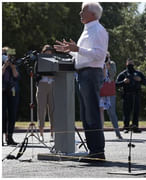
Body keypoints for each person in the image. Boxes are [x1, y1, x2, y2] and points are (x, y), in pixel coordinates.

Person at [54, 2, 108, 162]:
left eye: (83, 11)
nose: (80, 13)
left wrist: (77, 49)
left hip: (91, 74)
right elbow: (84, 55)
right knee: (86, 115)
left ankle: (98, 152)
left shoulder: (98, 30)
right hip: (84, 73)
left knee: (91, 114)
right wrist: (71, 51)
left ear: (93, 14)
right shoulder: (88, 30)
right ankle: (93, 151)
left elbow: (99, 55)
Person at [116, 59, 146, 133]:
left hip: (136, 94)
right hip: (127, 94)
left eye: (131, 64)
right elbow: (116, 84)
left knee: (136, 111)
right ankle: (126, 127)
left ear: (134, 64)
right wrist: (123, 82)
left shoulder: (138, 73)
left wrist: (140, 80)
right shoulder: (123, 74)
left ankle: (135, 127)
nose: (130, 65)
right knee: (126, 112)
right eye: (129, 64)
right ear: (126, 64)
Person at [35, 45, 56, 141]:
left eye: (50, 53)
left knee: (53, 109)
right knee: (41, 109)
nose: (48, 54)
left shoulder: (54, 60)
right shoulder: (39, 61)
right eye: (46, 53)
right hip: (42, 85)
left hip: (52, 85)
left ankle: (53, 133)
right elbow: (36, 74)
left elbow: (56, 73)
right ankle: (41, 133)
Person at [102, 52, 122, 139]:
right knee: (99, 112)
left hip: (109, 90)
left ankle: (117, 133)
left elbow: (112, 75)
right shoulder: (99, 64)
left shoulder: (112, 64)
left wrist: (107, 65)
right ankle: (99, 133)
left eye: (107, 56)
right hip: (100, 89)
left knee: (112, 112)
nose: (106, 58)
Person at [2, 47, 20, 145]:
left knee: (12, 114)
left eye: (9, 55)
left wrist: (12, 67)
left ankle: (10, 137)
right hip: (2, 91)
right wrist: (4, 66)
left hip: (12, 91)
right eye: (5, 55)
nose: (8, 58)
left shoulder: (14, 64)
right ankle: (2, 136)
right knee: (2, 115)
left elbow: (17, 76)